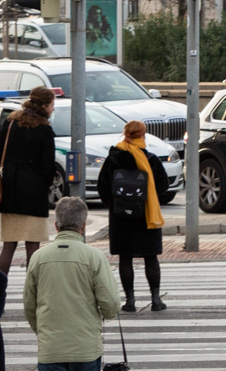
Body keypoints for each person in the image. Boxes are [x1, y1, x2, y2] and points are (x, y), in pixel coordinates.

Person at [22, 196, 120, 371]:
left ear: (56, 225)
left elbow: (29, 305)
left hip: (51, 350)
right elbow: (111, 306)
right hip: (85, 350)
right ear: (82, 227)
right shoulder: (94, 257)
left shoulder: (38, 258)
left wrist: (44, 333)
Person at [0, 86, 62, 313]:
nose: (53, 109)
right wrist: (44, 183)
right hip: (33, 192)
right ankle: (33, 299)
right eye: (52, 105)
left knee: (8, 245)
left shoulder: (10, 122)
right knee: (33, 247)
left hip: (10, 189)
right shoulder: (44, 130)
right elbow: (48, 166)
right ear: (44, 106)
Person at [95, 121, 165, 313]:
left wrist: (115, 206)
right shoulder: (150, 159)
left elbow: (103, 187)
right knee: (150, 257)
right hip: (146, 216)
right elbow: (163, 186)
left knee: (125, 258)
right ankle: (156, 299)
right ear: (143, 135)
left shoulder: (113, 158)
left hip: (121, 218)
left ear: (125, 134)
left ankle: (130, 301)